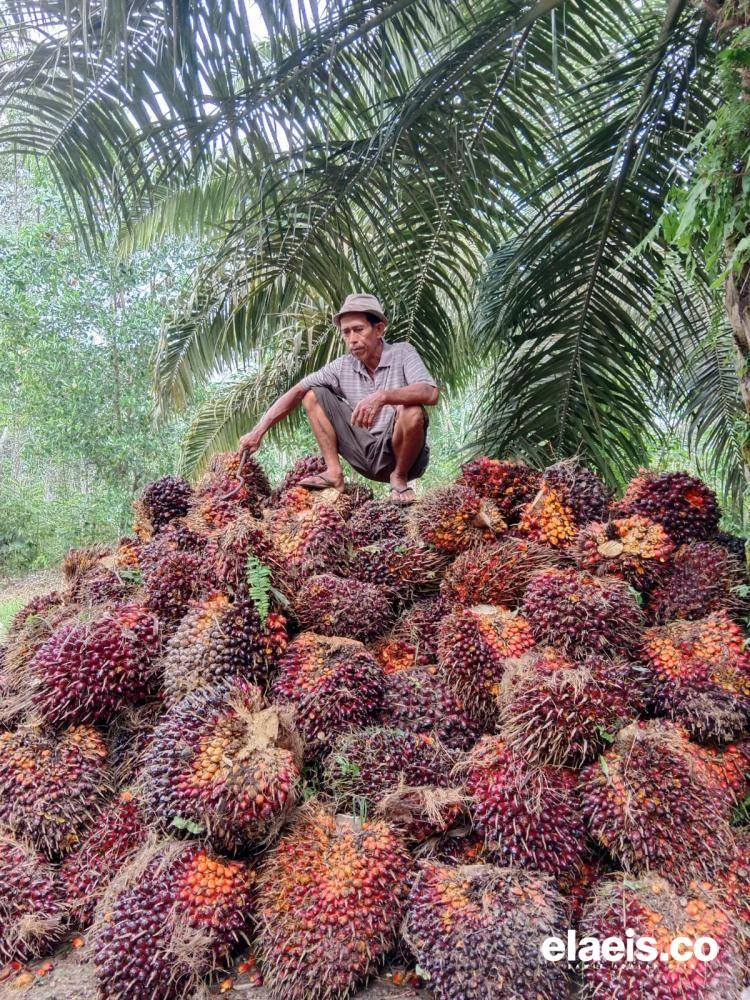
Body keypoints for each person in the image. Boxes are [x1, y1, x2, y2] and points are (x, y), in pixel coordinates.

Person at [239, 293, 439, 505]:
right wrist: (258, 431)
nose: (352, 339)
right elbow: (296, 391)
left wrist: (383, 397)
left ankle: (398, 477)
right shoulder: (342, 366)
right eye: (346, 332)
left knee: (412, 410)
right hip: (366, 455)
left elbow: (431, 393)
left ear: (379, 329)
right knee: (311, 394)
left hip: (406, 458)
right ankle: (334, 472)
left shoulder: (402, 353)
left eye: (359, 330)